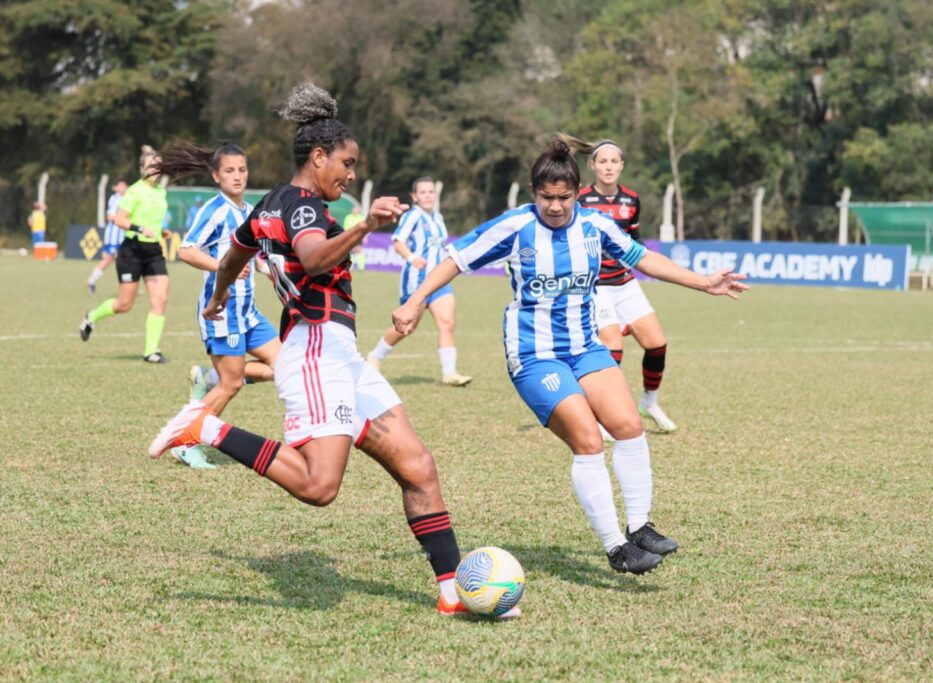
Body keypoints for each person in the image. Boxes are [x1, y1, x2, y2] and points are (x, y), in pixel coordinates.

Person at [148, 83, 502, 617]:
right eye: (347, 163)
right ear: (318, 157)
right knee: (319, 486)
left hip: (340, 356)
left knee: (418, 466)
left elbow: (232, 258)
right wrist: (365, 226)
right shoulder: (306, 209)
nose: (352, 174)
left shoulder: (269, 204)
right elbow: (313, 260)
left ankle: (453, 593)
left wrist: (218, 299)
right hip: (314, 349)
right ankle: (206, 427)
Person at [393, 136, 748, 575]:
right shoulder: (516, 226)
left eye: (564, 197)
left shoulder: (596, 226)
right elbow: (454, 260)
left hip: (585, 348)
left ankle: (639, 526)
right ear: (533, 193)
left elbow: (644, 260)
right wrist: (413, 302)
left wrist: (704, 282)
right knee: (589, 439)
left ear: (577, 193)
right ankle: (616, 546)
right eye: (546, 198)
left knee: (629, 426)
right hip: (534, 354)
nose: (555, 206)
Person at [151, 141, 281, 469]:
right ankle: (186, 442)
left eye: (242, 170)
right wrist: (223, 267)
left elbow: (254, 254)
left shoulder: (247, 209)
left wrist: (267, 271)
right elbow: (187, 250)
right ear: (216, 175)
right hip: (221, 312)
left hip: (247, 311)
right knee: (232, 384)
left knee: (286, 367)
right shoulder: (216, 210)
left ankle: (208, 378)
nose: (237, 177)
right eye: (229, 171)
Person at [578, 140, 677, 432]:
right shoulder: (581, 200)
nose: (608, 167)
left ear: (622, 166)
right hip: (596, 286)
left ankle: (650, 401)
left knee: (657, 344)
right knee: (613, 346)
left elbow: (634, 241)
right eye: (603, 162)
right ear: (593, 166)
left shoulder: (631, 200)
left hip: (626, 283)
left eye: (614, 161)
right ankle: (604, 416)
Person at [366, 177, 471, 386]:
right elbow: (397, 241)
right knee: (408, 326)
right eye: (423, 192)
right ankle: (375, 356)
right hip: (417, 279)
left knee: (447, 322)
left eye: (431, 192)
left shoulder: (438, 218)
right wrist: (412, 258)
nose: (427, 196)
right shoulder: (413, 216)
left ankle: (449, 373)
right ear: (414, 197)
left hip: (439, 281)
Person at [79, 145, 172, 363]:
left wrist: (161, 231)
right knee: (124, 304)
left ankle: (151, 352)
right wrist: (140, 229)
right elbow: (120, 219)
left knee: (160, 299)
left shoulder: (161, 191)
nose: (155, 170)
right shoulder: (134, 191)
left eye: (158, 167)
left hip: (154, 252)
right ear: (142, 169)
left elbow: (154, 221)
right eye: (150, 167)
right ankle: (91, 317)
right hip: (132, 251)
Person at [86, 179, 128, 295]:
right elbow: (110, 216)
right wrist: (124, 220)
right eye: (120, 185)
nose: (122, 188)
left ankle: (128, 286)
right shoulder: (115, 199)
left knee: (127, 260)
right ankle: (91, 281)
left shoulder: (127, 198)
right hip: (114, 236)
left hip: (123, 236)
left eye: (124, 185)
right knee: (108, 259)